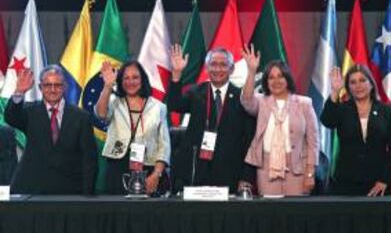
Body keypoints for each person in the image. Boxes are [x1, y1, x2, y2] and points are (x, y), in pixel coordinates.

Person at [167, 44, 256, 194]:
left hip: (229, 173)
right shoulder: (196, 92)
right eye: (213, 65)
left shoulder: (242, 98)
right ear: (207, 68)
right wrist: (176, 74)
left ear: (232, 69)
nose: (217, 69)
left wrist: (246, 177)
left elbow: (248, 141)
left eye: (223, 65)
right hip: (197, 171)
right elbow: (174, 104)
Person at [4, 65, 97, 194]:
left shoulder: (81, 117)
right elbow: (10, 117)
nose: (52, 90)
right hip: (32, 189)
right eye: (47, 85)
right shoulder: (29, 112)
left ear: (64, 87)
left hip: (69, 191)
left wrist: (87, 195)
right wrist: (19, 92)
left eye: (57, 85)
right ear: (40, 87)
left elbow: (89, 159)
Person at [241, 46, 319, 196]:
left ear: (287, 79)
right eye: (271, 77)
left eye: (280, 76)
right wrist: (251, 72)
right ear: (266, 81)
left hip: (298, 168)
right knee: (270, 213)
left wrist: (310, 173)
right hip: (266, 167)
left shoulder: (304, 103)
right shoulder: (261, 101)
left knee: (295, 213)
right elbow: (246, 100)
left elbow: (313, 142)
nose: (276, 81)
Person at [321, 65, 391, 196]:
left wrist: (385, 180)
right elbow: (327, 121)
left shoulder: (385, 110)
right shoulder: (342, 109)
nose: (358, 85)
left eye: (363, 80)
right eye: (353, 82)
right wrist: (335, 92)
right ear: (348, 87)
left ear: (371, 84)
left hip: (377, 183)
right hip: (345, 183)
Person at [96, 61, 171, 195]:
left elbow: (164, 146)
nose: (131, 82)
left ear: (143, 80)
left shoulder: (158, 107)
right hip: (117, 166)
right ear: (120, 81)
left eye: (135, 77)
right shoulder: (114, 101)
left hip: (147, 168)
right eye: (126, 78)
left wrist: (156, 175)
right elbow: (101, 114)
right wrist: (107, 86)